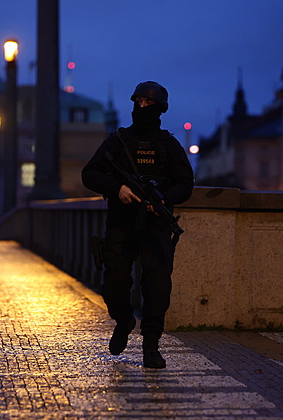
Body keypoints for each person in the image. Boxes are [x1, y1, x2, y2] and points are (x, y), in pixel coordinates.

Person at [81, 81, 194, 368]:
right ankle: (124, 321)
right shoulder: (118, 142)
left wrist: (163, 199)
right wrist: (116, 187)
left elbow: (185, 184)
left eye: (148, 103)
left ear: (159, 109)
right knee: (114, 286)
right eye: (138, 102)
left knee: (157, 288)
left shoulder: (169, 146)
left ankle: (151, 346)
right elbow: (90, 174)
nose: (142, 108)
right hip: (122, 223)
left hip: (155, 224)